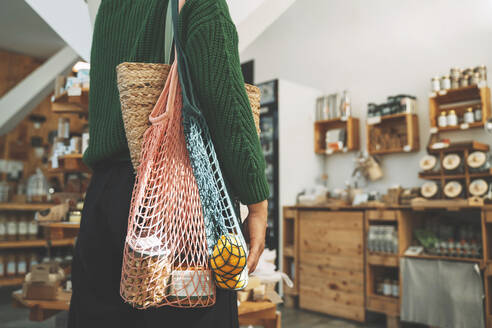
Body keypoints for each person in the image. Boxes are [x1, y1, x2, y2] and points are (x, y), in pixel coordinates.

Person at [68, 0, 269, 327]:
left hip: (104, 197)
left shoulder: (109, 8)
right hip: (174, 197)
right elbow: (227, 103)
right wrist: (257, 204)